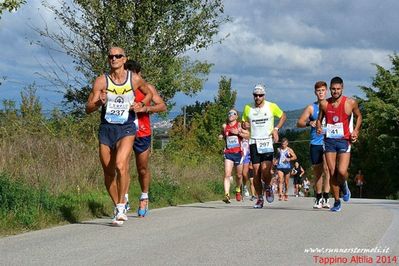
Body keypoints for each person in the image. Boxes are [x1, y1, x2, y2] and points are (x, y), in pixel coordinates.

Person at [86, 47, 152, 225]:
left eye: (118, 56)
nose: (114, 58)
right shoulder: (101, 81)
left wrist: (141, 104)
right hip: (107, 129)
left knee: (120, 164)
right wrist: (99, 102)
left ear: (125, 59)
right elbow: (88, 108)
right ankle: (117, 206)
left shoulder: (134, 79)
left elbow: (149, 93)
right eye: (111, 56)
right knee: (108, 172)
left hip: (127, 128)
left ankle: (122, 206)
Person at [123, 60, 167, 217]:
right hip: (124, 131)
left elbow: (162, 106)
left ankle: (144, 196)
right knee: (122, 166)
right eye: (128, 74)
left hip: (142, 132)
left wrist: (146, 108)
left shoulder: (147, 88)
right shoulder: (121, 88)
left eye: (134, 74)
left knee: (142, 168)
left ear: (139, 74)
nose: (131, 77)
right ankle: (124, 199)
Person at [317, 76, 362, 212]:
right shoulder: (324, 104)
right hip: (329, 140)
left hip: (344, 140)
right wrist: (319, 127)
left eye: (338, 89)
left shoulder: (350, 103)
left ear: (342, 88)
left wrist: (356, 130)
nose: (335, 91)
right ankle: (336, 201)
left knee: (341, 172)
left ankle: (344, 185)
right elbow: (319, 119)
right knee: (332, 172)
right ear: (330, 89)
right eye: (333, 89)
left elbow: (359, 116)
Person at [242, 84, 287, 208]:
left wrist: (276, 129)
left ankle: (267, 186)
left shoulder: (271, 106)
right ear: (253, 96)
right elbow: (243, 122)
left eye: (260, 95)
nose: (258, 97)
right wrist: (244, 125)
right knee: (256, 171)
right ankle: (260, 198)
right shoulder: (247, 108)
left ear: (264, 95)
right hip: (254, 142)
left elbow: (283, 116)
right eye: (255, 95)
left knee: (265, 170)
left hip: (267, 142)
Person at [297, 81, 331, 209]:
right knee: (318, 172)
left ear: (326, 91)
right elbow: (299, 122)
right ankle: (318, 197)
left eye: (323, 90)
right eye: (318, 90)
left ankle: (326, 197)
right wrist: (308, 123)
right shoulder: (312, 107)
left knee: (328, 169)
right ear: (315, 92)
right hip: (315, 143)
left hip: (328, 141)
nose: (321, 92)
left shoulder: (330, 105)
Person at [219, 109, 249, 203]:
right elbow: (222, 134)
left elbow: (248, 135)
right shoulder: (225, 126)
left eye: (233, 113)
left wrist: (238, 133)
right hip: (228, 153)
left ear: (236, 116)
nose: (231, 115)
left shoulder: (239, 125)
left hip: (238, 154)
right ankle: (226, 195)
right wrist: (220, 136)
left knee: (239, 176)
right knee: (227, 174)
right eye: (229, 113)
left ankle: (238, 190)